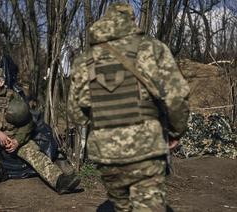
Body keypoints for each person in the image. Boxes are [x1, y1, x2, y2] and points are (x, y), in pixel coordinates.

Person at [68, 3, 190, 212]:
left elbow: (75, 114)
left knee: (121, 207)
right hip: (146, 147)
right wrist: (175, 131)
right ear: (131, 21)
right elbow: (176, 97)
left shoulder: (84, 60)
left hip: (106, 153)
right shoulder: (153, 48)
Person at [0, 67, 80, 194]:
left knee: (34, 153)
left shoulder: (13, 97)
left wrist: (17, 141)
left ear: (1, 82)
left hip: (13, 138)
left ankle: (59, 182)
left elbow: (28, 123)